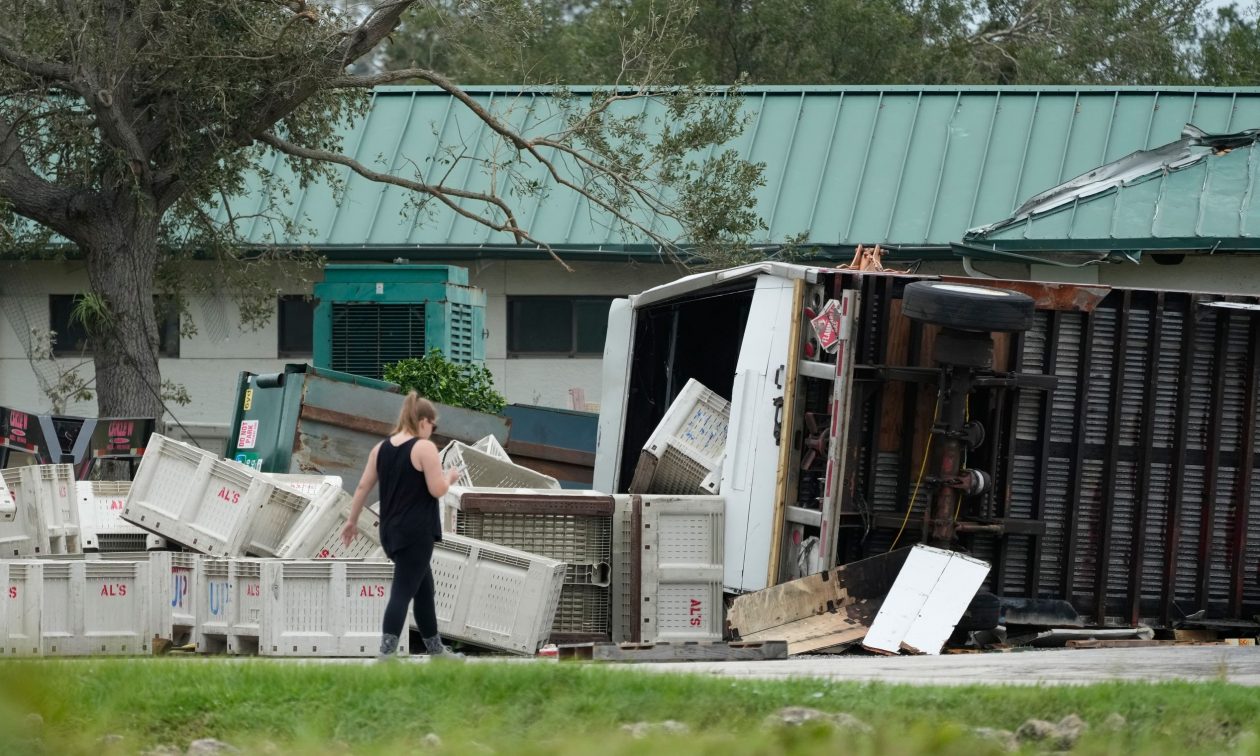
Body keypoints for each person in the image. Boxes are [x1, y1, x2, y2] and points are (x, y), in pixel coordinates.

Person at [340, 391, 463, 659]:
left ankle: (436, 650)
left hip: (390, 531)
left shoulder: (381, 448)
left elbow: (363, 486)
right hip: (416, 531)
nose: (433, 431)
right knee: (402, 591)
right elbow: (437, 489)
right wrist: (450, 476)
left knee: (424, 588)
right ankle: (386, 654)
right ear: (423, 421)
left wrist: (352, 521)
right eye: (434, 425)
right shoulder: (424, 448)